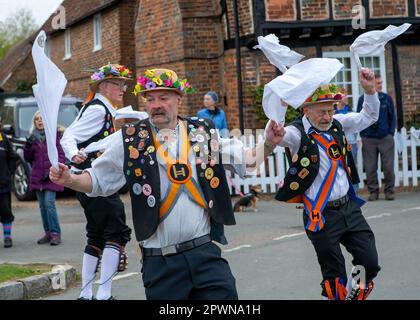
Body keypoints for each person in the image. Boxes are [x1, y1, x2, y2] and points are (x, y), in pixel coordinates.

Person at [50, 68, 283, 300]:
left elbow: (248, 160)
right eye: (150, 99)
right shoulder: (131, 139)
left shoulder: (200, 133)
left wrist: (270, 144)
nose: (155, 105)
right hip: (160, 264)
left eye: (163, 98)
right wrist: (70, 178)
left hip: (205, 255)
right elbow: (98, 180)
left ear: (179, 99)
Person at [274, 68, 381, 300]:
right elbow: (276, 135)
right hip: (319, 214)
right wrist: (280, 106)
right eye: (321, 112)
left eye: (331, 110)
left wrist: (370, 90)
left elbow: (369, 117)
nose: (327, 116)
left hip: (349, 209)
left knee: (369, 263)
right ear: (306, 110)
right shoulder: (295, 133)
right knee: (333, 277)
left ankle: (355, 289)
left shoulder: (338, 124)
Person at [60, 63, 132, 300]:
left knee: (97, 234)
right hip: (91, 179)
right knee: (115, 231)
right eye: (119, 84)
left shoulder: (102, 108)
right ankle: (103, 294)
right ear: (105, 86)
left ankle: (86, 294)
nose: (123, 89)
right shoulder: (98, 110)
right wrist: (73, 154)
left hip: (89, 178)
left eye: (124, 85)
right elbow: (69, 135)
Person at [24, 111, 66, 245]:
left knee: (49, 203)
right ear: (34, 122)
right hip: (37, 176)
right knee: (42, 206)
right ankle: (47, 233)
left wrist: (54, 170)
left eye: (42, 118)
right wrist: (28, 146)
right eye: (37, 119)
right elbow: (28, 158)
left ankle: (55, 233)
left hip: (51, 176)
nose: (39, 121)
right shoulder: (33, 136)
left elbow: (61, 154)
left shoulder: (54, 134)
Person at [357, 74, 396, 201]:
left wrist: (390, 133)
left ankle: (389, 191)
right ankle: (373, 192)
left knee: (388, 167)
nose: (380, 85)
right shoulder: (362, 99)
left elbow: (393, 117)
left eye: (381, 83)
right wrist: (363, 135)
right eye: (378, 83)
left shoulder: (387, 98)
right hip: (369, 139)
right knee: (370, 167)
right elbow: (359, 118)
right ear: (372, 83)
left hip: (385, 138)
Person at [335, 94, 359, 193]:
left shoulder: (350, 110)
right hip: (337, 143)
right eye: (344, 96)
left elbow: (357, 126)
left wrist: (358, 140)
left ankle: (354, 192)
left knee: (352, 167)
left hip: (351, 142)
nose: (346, 98)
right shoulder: (332, 111)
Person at [0, 116, 17, 248]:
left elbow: (12, 157)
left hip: (3, 184)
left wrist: (8, 173)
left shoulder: (4, 139)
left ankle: (7, 237)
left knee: (5, 210)